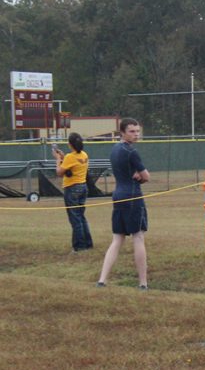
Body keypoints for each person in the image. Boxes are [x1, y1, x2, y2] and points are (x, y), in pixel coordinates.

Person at [98, 118, 150, 289]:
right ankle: (143, 283)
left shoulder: (114, 149)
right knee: (138, 237)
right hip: (132, 197)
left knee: (117, 238)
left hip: (118, 195)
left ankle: (102, 280)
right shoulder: (131, 152)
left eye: (137, 131)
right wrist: (140, 177)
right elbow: (146, 176)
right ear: (122, 132)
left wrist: (136, 175)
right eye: (132, 131)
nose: (136, 134)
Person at [52, 132, 94, 252]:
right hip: (83, 187)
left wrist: (58, 159)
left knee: (75, 218)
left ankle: (79, 246)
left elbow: (59, 172)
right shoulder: (84, 155)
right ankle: (88, 243)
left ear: (70, 144)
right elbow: (73, 164)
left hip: (72, 188)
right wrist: (63, 157)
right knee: (81, 216)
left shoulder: (71, 157)